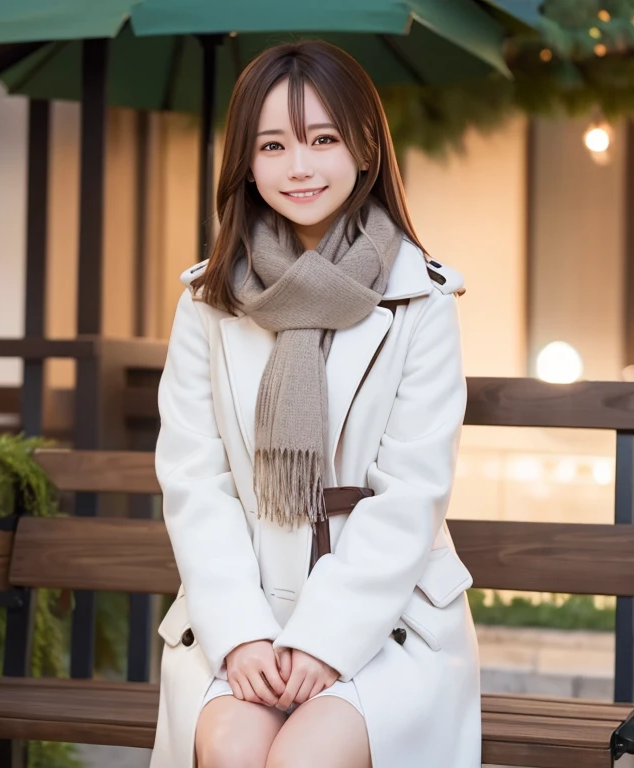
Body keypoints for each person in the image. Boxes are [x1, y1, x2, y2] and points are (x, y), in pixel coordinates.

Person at [149, 39, 480, 768]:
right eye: (272, 145)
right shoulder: (210, 300)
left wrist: (327, 639)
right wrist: (240, 633)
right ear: (246, 161)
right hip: (243, 614)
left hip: (388, 619)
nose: (298, 166)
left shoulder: (421, 298)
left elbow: (410, 495)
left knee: (304, 757)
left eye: (322, 139)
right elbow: (194, 481)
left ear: (364, 146)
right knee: (234, 746)